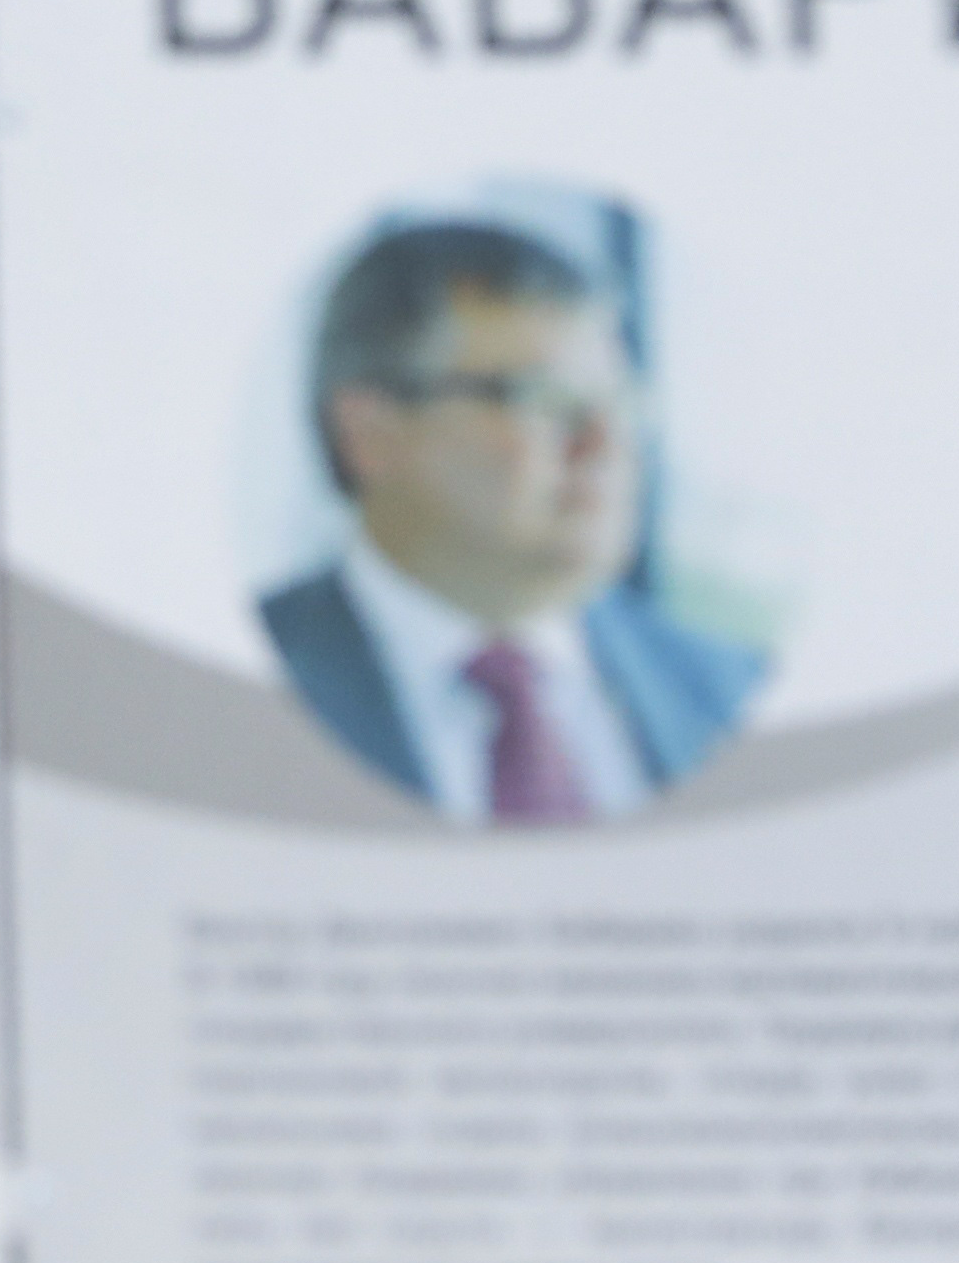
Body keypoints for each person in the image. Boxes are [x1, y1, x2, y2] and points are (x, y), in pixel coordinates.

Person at [256, 217, 758, 823]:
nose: (602, 443)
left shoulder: (731, 689)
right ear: (370, 434)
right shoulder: (230, 698)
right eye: (544, 399)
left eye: (621, 405)